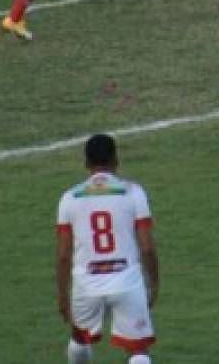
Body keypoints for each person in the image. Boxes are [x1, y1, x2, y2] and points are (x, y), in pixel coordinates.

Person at [56, 134, 158, 364]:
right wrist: (154, 283)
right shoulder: (133, 193)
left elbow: (63, 256)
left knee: (80, 340)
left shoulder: (69, 198)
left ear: (86, 163)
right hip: (127, 281)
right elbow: (148, 248)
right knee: (138, 350)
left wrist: (63, 295)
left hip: (87, 284)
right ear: (115, 159)